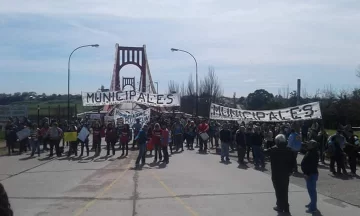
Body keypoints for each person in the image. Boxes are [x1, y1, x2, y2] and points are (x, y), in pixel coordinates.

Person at [268, 134, 294, 213]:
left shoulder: (274, 149)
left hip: (276, 174)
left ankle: (280, 206)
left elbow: (264, 152)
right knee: (285, 191)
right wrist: (291, 171)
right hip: (285, 174)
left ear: (278, 141)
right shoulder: (289, 149)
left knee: (278, 191)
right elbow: (293, 162)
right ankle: (286, 208)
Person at [301, 140, 319, 213]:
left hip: (311, 174)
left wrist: (307, 174)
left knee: (312, 191)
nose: (307, 144)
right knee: (310, 190)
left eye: (309, 143)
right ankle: (312, 203)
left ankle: (313, 208)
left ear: (313, 145)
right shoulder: (311, 151)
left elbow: (312, 165)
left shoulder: (313, 153)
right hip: (310, 174)